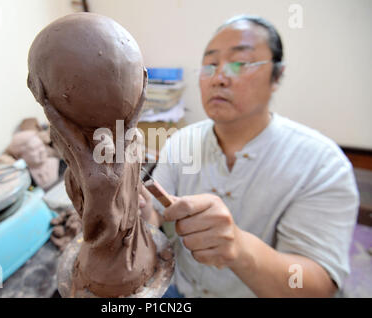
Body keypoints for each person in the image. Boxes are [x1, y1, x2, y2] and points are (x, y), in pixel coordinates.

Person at [138, 15, 359, 297]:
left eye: (240, 63)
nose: (219, 78)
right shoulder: (182, 141)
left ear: (277, 75)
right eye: (210, 65)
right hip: (182, 290)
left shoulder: (322, 164)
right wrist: (144, 212)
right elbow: (155, 215)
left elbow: (317, 285)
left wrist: (240, 249)